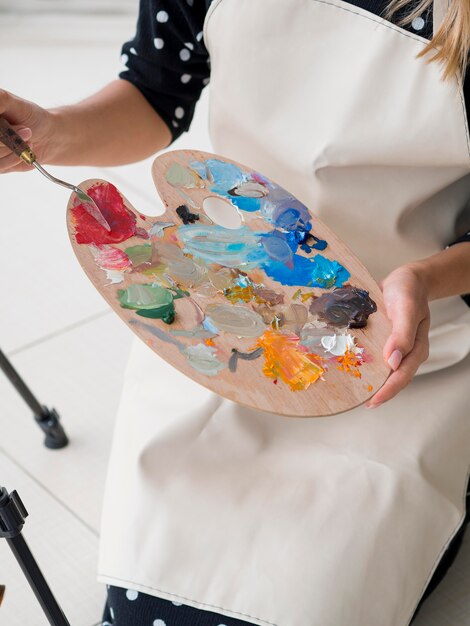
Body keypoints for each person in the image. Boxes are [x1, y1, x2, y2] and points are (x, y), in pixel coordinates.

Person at [1, 0, 470, 624]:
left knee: (315, 594)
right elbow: (154, 91)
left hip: (406, 340)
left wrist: (422, 279)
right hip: (219, 318)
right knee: (156, 593)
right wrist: (52, 130)